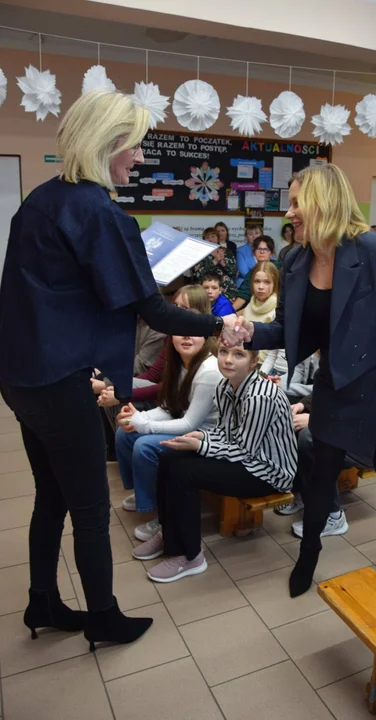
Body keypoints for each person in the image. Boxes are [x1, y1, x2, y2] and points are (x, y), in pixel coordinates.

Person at [0, 89, 248, 649]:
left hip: (21, 377)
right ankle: (104, 618)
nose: (138, 157)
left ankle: (42, 601)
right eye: (133, 146)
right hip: (61, 380)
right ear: (107, 142)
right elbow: (153, 311)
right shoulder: (101, 212)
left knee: (50, 496)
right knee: (90, 509)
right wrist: (219, 321)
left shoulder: (40, 200)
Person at [233, 164, 376, 598]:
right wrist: (251, 331)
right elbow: (291, 330)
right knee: (320, 473)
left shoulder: (375, 250)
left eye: (296, 203)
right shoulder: (295, 260)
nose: (289, 213)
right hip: (335, 383)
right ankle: (308, 554)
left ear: (324, 203)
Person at [131, 344, 298, 583]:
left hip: (268, 472)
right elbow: (224, 432)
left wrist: (200, 446)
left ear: (254, 362)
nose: (228, 360)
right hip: (247, 458)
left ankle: (190, 556)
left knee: (184, 473)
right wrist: (202, 436)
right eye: (223, 352)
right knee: (169, 457)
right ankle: (169, 534)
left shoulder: (259, 396)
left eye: (238, 354)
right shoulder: (225, 386)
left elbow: (244, 451)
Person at [115, 324, 221, 541]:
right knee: (124, 434)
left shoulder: (209, 370)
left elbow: (190, 424)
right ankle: (146, 494)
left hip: (206, 436)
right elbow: (169, 407)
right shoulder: (179, 363)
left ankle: (163, 514)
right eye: (180, 331)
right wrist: (137, 418)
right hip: (190, 428)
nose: (187, 335)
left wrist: (144, 425)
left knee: (144, 446)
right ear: (171, 337)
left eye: (194, 332)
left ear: (205, 337)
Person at [98, 285, 211, 432]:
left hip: (194, 422)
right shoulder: (171, 336)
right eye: (174, 306)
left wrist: (122, 395)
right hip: (170, 402)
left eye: (184, 308)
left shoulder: (199, 349)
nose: (176, 312)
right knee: (114, 391)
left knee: (119, 391)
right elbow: (157, 376)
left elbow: (160, 383)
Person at [279, 394, 372, 541]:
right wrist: (302, 405)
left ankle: (333, 516)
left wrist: (317, 420)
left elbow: (368, 414)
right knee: (297, 426)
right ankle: (306, 497)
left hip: (373, 441)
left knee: (311, 439)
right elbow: (329, 389)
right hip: (346, 427)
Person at [233, 236, 283, 310]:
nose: (262, 252)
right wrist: (229, 312)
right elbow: (243, 294)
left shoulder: (278, 269)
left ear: (271, 253)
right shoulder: (252, 272)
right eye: (259, 249)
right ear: (254, 252)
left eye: (265, 249)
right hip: (254, 306)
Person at [191, 228, 237, 301]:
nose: (210, 239)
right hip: (206, 286)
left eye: (213, 236)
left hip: (225, 286)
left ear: (218, 238)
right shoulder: (200, 253)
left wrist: (223, 263)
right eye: (207, 237)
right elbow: (198, 275)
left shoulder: (226, 252)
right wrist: (215, 261)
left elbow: (234, 272)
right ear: (204, 240)